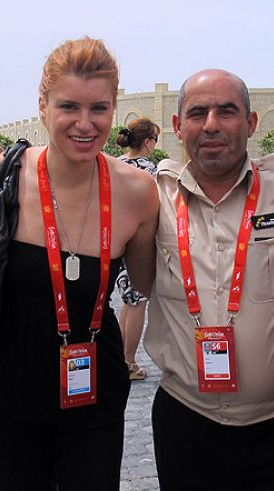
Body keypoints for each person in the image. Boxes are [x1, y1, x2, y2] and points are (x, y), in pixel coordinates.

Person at [0, 38, 159, 491]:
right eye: (69, 106)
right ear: (42, 106)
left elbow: (145, 282)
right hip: (11, 385)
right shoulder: (6, 175)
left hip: (94, 384)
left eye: (99, 108)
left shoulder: (137, 190)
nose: (84, 123)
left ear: (114, 110)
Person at [142, 69, 274, 491]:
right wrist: (5, 161)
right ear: (177, 126)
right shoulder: (150, 196)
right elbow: (78, 176)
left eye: (227, 111)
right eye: (198, 113)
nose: (211, 124)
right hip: (186, 425)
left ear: (251, 123)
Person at [114, 117, 160, 380]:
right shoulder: (149, 170)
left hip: (115, 242)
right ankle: (129, 363)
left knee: (127, 303)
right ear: (147, 141)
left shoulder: (114, 165)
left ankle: (121, 357)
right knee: (137, 302)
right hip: (139, 244)